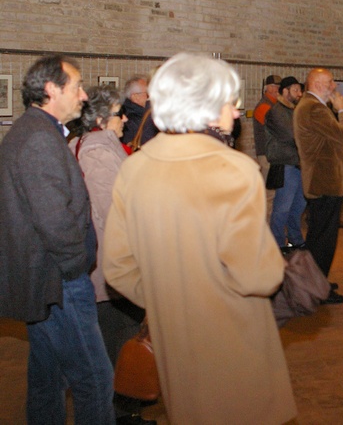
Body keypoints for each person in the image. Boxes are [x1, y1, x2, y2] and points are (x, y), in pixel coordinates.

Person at [103, 53, 296, 424]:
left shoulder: (134, 167)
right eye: (230, 104)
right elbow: (257, 275)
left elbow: (117, 267)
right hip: (234, 338)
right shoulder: (234, 169)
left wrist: (168, 301)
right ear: (208, 110)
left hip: (172, 336)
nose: (237, 113)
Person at [0, 55, 115, 424]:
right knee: (95, 379)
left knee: (47, 376)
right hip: (58, 281)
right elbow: (54, 220)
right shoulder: (37, 138)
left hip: (46, 279)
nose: (83, 95)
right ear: (52, 89)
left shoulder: (35, 131)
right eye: (76, 86)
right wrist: (76, 265)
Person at [69, 86, 154, 424]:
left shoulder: (95, 145)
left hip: (111, 256)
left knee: (117, 333)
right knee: (117, 337)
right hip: (111, 258)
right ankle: (117, 411)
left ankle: (119, 407)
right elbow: (115, 209)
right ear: (102, 118)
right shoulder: (96, 151)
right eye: (119, 114)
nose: (123, 119)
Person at [294, 67, 343, 304]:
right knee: (322, 241)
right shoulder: (313, 108)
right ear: (317, 84)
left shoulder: (312, 107)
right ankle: (318, 290)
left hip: (323, 181)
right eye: (330, 82)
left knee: (318, 238)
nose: (334, 87)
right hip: (324, 182)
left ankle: (314, 283)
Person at [265, 76, 306, 250]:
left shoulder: (296, 110)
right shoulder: (276, 111)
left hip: (299, 164)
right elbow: (291, 135)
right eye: (295, 90)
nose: (300, 93)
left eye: (300, 90)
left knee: (298, 206)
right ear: (285, 91)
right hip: (286, 164)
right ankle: (277, 243)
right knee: (282, 207)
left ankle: (295, 239)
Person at [253, 74, 282, 214]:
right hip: (266, 154)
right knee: (268, 193)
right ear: (269, 88)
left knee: (272, 192)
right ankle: (264, 227)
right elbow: (277, 127)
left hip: (272, 154)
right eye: (276, 87)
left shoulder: (273, 105)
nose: (278, 90)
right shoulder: (264, 106)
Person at [120, 76, 151, 144]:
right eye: (148, 93)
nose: (151, 96)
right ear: (135, 97)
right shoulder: (130, 120)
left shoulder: (140, 114)